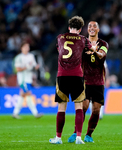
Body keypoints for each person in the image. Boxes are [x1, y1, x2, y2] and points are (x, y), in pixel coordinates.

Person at [49, 16, 97, 144]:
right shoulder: (83, 39)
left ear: (69, 27)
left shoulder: (60, 37)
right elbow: (91, 50)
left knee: (61, 108)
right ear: (81, 29)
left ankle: (58, 138)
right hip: (77, 76)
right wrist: (92, 47)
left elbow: (60, 51)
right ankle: (79, 138)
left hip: (62, 75)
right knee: (79, 107)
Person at [68, 21, 109, 143]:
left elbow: (101, 55)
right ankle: (76, 133)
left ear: (98, 30)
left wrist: (93, 50)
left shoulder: (103, 44)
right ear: (87, 29)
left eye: (94, 26)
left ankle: (89, 135)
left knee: (96, 110)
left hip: (99, 82)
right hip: (84, 81)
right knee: (84, 107)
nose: (91, 28)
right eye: (89, 26)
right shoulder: (82, 43)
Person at [12, 41, 43, 119]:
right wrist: (26, 67)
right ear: (21, 48)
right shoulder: (19, 57)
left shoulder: (31, 56)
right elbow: (17, 69)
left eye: (28, 47)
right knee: (28, 94)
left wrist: (36, 67)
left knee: (22, 95)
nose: (27, 48)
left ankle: (15, 113)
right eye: (25, 47)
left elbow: (34, 66)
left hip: (29, 79)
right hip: (22, 79)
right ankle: (35, 113)